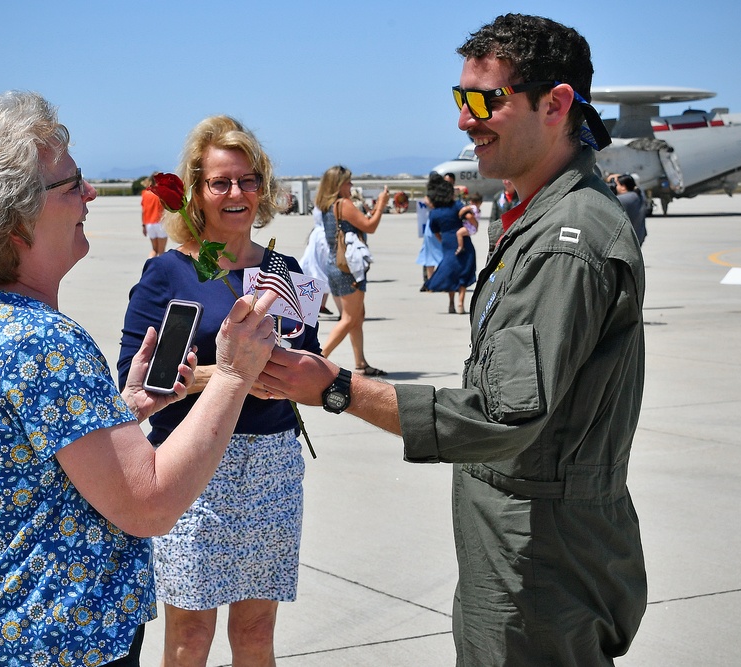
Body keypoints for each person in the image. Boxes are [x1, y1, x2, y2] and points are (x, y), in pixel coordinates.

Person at [260, 13, 646, 666]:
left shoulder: (565, 241)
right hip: (520, 545)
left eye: (483, 100)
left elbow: (500, 419)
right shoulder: (530, 211)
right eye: (458, 99)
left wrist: (335, 388)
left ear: (555, 105)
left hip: (538, 565)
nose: (465, 120)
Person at [0, 91, 280, 667]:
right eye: (70, 184)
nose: (89, 193)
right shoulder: (39, 342)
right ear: (17, 220)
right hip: (59, 645)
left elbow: (42, 460)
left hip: (2, 640)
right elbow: (151, 506)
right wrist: (234, 373)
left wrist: (124, 409)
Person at [117, 115, 322, 667]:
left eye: (248, 180)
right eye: (220, 182)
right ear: (197, 194)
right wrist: (227, 376)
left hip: (272, 463)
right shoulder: (171, 273)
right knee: (191, 637)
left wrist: (291, 372)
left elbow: (311, 363)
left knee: (256, 632)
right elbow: (136, 384)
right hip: (191, 462)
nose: (237, 193)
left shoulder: (285, 268)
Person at [316, 164, 389, 376]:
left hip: (335, 264)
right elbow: (370, 227)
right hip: (348, 267)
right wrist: (382, 205)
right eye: (348, 182)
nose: (351, 185)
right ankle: (319, 358)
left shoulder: (327, 205)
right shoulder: (343, 204)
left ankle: (361, 362)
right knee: (349, 318)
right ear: (338, 185)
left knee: (357, 315)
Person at [421, 171, 477, 314]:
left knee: (452, 272)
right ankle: (460, 303)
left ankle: (451, 302)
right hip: (463, 241)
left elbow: (434, 230)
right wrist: (474, 225)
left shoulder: (435, 212)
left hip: (447, 243)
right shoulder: (456, 205)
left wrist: (442, 239)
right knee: (464, 271)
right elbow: (469, 216)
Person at [299, 205, 337, 316]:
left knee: (319, 270)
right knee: (321, 270)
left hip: (318, 235)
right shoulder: (328, 205)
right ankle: (313, 306)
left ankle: (320, 305)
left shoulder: (320, 204)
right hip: (323, 237)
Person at [614, 173, 647, 246]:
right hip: (638, 237)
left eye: (617, 185)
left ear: (623, 187)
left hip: (627, 242)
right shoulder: (639, 196)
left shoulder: (623, 199)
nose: (616, 187)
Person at [141, 174, 169, 257]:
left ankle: (150, 265)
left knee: (154, 250)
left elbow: (143, 211)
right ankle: (160, 269)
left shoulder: (145, 193)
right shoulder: (161, 193)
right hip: (159, 223)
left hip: (149, 223)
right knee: (161, 251)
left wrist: (143, 226)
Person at [487, 179, 519, 249]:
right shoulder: (498, 197)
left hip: (516, 235)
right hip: (500, 236)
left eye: (509, 179)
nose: (507, 182)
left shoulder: (521, 197)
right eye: (505, 179)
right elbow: (493, 218)